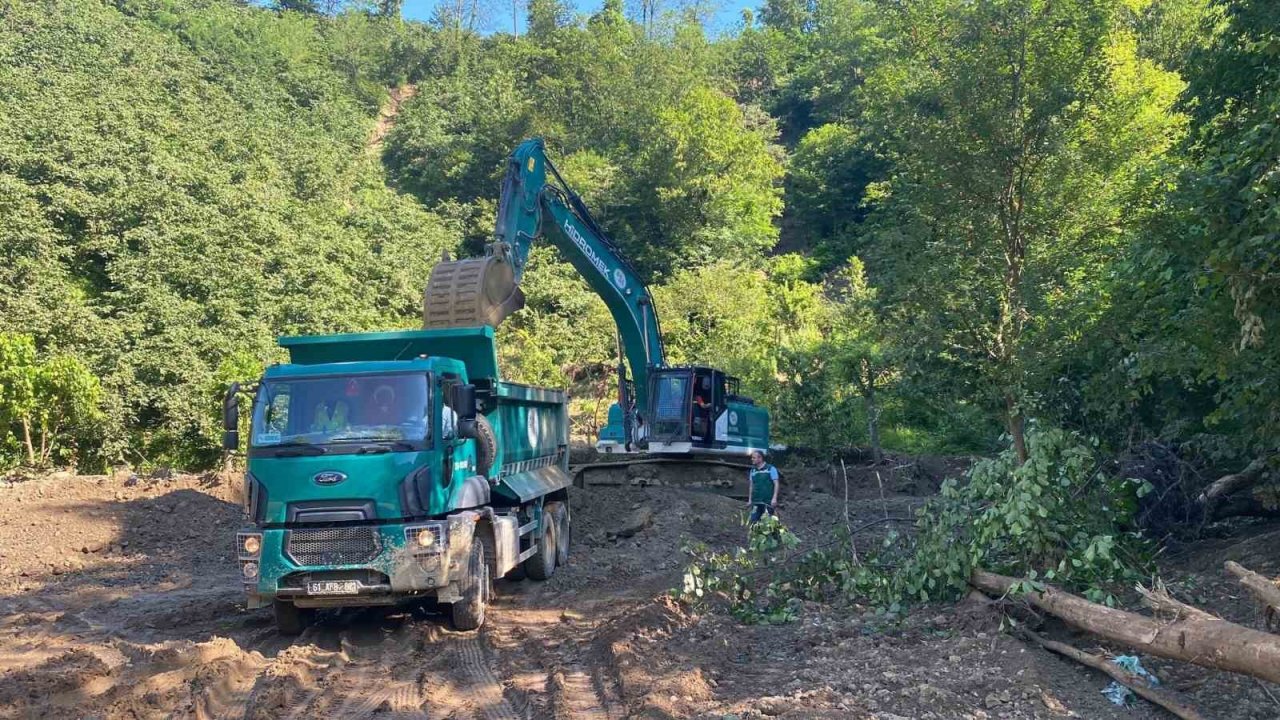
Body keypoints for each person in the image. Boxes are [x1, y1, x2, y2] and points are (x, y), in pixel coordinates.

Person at [747, 449, 779, 524]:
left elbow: (776, 484)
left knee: (767, 523)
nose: (752, 459)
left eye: (754, 458)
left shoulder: (771, 469)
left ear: (760, 458)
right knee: (753, 521)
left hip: (767, 502)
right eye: (752, 457)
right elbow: (751, 486)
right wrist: (750, 500)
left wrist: (774, 498)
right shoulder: (753, 471)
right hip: (756, 501)